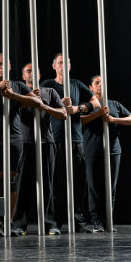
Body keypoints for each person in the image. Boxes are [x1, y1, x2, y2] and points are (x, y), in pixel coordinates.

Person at [0, 54, 41, 236]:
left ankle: (8, 221)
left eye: (3, 64)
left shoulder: (18, 85)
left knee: (11, 180)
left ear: (8, 67)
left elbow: (36, 102)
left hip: (14, 136)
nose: (0, 67)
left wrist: (13, 95)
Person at [41, 53, 101, 233]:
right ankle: (55, 223)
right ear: (54, 66)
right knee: (56, 183)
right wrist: (60, 107)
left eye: (66, 63)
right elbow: (40, 105)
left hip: (76, 140)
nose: (63, 66)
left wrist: (77, 108)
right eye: (59, 63)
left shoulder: (76, 84)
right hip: (56, 139)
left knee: (78, 182)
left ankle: (77, 221)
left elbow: (95, 103)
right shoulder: (48, 85)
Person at [13, 63, 67, 235]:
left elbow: (63, 114)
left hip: (46, 142)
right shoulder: (18, 92)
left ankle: (50, 224)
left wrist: (43, 106)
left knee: (47, 185)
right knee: (23, 185)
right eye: (28, 71)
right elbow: (11, 112)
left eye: (34, 71)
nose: (31, 74)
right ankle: (19, 224)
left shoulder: (49, 92)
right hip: (26, 143)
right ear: (23, 76)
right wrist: (29, 99)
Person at [81, 75, 131, 232]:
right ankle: (96, 222)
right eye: (96, 83)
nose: (100, 86)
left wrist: (112, 120)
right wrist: (97, 114)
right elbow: (81, 120)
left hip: (113, 151)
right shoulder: (89, 105)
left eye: (102, 83)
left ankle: (108, 221)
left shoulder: (114, 104)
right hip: (92, 151)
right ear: (90, 87)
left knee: (110, 187)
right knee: (94, 187)